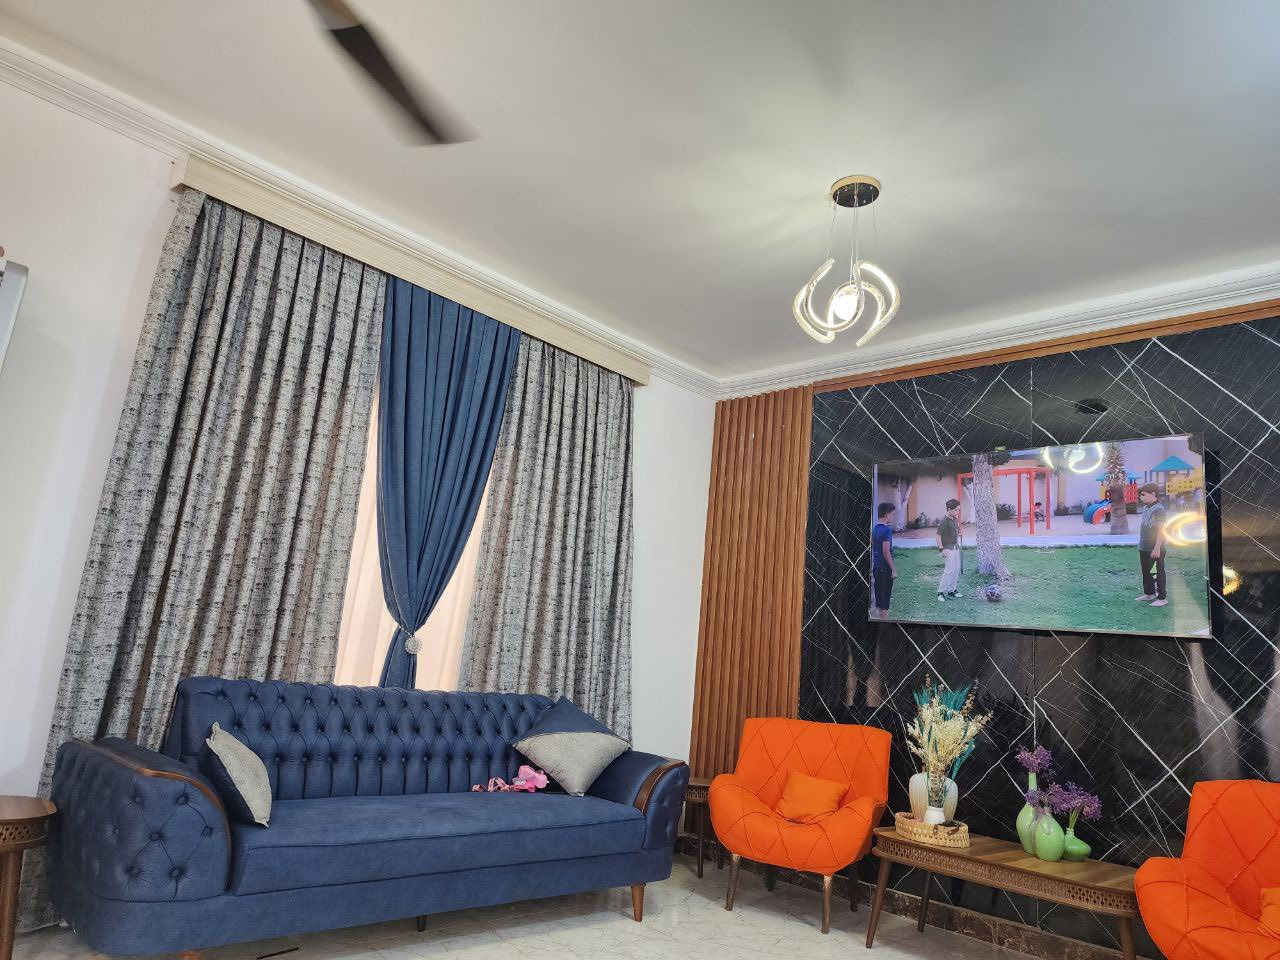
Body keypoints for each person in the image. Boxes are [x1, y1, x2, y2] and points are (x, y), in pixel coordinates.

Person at [1135, 482, 1169, 607]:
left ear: (1153, 494)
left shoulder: (1159, 509)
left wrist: (1157, 547)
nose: (1141, 497)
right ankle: (1149, 594)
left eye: (1143, 495)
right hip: (1144, 546)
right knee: (1146, 572)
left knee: (1157, 572)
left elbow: (1161, 530)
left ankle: (1162, 598)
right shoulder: (1146, 508)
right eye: (1140, 495)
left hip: (1155, 547)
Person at [871, 503, 897, 619]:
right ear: (886, 514)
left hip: (876, 568)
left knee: (879, 600)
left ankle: (879, 619)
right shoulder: (887, 530)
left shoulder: (875, 529)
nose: (893, 517)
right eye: (892, 514)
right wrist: (893, 569)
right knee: (885, 602)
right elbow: (886, 552)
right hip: (885, 570)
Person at [936, 497, 962, 600]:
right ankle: (940, 592)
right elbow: (938, 536)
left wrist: (959, 532)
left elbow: (955, 531)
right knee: (949, 570)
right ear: (949, 509)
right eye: (956, 510)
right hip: (947, 548)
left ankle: (952, 590)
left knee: (956, 569)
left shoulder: (954, 519)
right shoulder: (944, 521)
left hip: (955, 547)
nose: (957, 512)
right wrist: (941, 549)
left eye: (958, 510)